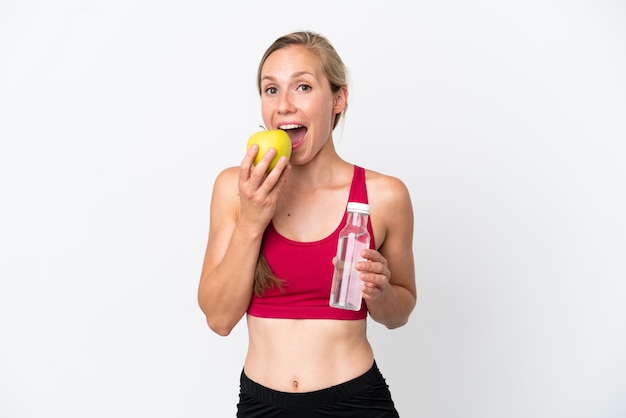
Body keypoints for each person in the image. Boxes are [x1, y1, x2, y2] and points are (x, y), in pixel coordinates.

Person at [198, 30, 417, 417]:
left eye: (302, 87)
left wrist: (380, 293)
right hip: (262, 405)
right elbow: (218, 319)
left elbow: (399, 314)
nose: (283, 105)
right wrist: (251, 220)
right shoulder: (235, 189)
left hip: (357, 404)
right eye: (270, 90)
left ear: (338, 99)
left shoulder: (384, 195)